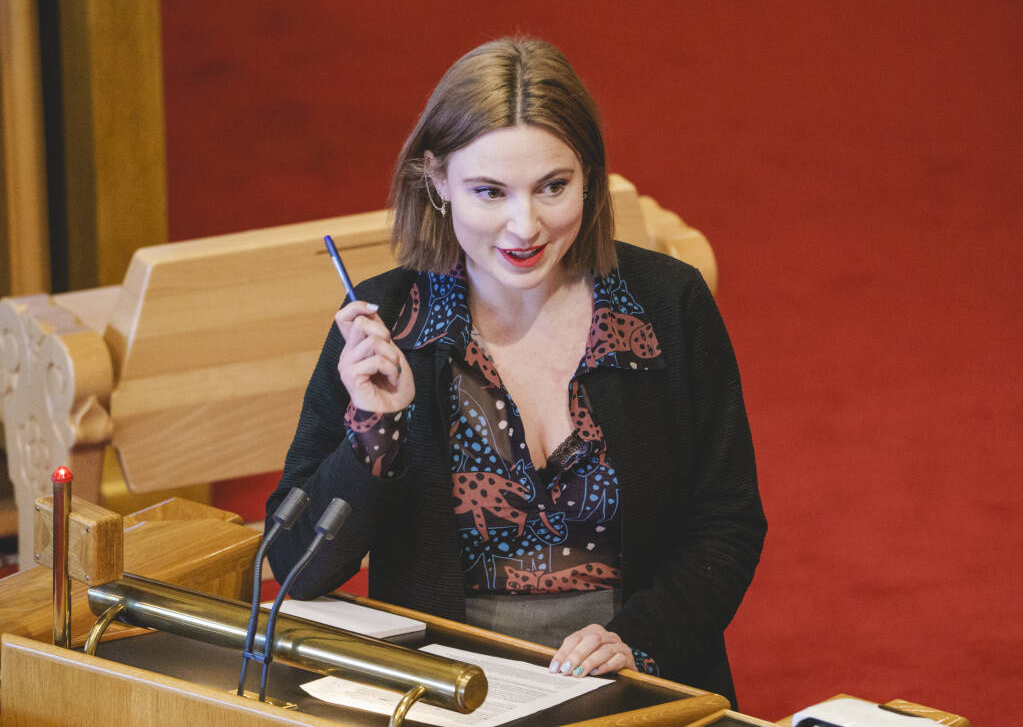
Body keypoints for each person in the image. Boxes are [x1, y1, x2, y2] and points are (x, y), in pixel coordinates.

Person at [266, 37, 765, 701]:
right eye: (490, 191)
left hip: (636, 686)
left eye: (552, 187)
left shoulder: (668, 305)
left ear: (589, 174)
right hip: (449, 696)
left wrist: (641, 639)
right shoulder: (387, 320)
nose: (524, 226)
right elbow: (296, 565)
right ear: (438, 180)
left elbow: (727, 521)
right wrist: (371, 433)